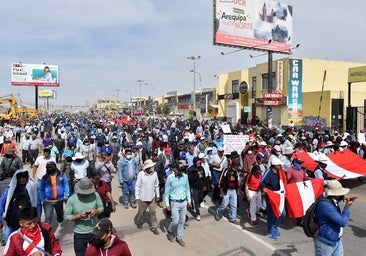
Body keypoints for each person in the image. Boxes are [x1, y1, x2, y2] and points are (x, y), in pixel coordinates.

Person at [314, 180, 356, 256]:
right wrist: (347, 207)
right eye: (340, 193)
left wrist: (343, 198)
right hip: (326, 242)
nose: (343, 194)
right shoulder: (325, 205)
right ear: (335, 195)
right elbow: (343, 222)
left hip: (336, 239)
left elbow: (333, 203)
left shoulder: (329, 199)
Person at [64, 177, 104, 256]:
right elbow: (67, 217)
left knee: (97, 253)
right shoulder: (72, 200)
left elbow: (101, 208)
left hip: (94, 231)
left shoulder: (95, 195)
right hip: (80, 234)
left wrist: (96, 211)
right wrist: (79, 216)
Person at [0, 169, 40, 243]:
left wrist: (38, 216)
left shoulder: (32, 189)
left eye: (24, 177)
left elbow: (37, 203)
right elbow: (1, 203)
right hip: (11, 221)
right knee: (9, 241)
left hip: (27, 222)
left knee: (25, 243)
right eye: (20, 178)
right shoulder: (9, 190)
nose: (22, 179)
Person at [165, 164, 192, 247]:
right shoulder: (170, 178)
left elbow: (187, 189)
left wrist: (189, 200)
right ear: (175, 169)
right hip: (174, 202)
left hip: (183, 202)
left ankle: (179, 237)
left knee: (182, 221)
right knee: (175, 221)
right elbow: (167, 192)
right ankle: (170, 231)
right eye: (179, 170)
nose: (180, 172)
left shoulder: (185, 177)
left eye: (181, 170)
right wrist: (167, 203)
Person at [260, 158, 287, 241]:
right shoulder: (269, 172)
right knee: (271, 214)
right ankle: (270, 230)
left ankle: (274, 226)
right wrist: (264, 188)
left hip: (279, 196)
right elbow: (262, 182)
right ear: (275, 166)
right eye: (279, 165)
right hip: (271, 196)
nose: (281, 166)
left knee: (282, 214)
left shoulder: (279, 172)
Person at [39, 161, 69, 228]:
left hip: (59, 199)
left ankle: (60, 222)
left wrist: (66, 195)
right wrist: (42, 199)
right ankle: (47, 229)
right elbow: (41, 188)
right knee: (48, 217)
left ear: (55, 167)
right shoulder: (44, 178)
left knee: (60, 213)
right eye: (48, 167)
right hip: (48, 201)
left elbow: (66, 185)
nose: (50, 168)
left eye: (51, 167)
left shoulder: (62, 175)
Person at [214, 151, 241, 225]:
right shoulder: (226, 170)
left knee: (234, 205)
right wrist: (221, 191)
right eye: (236, 167)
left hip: (233, 190)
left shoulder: (236, 172)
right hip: (226, 190)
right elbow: (220, 181)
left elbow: (237, 181)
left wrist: (238, 190)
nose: (236, 169)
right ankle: (218, 213)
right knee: (224, 204)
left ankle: (233, 218)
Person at [135, 159, 160, 235]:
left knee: (153, 212)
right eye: (151, 167)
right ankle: (139, 222)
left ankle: (154, 227)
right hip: (143, 198)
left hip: (152, 197)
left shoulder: (155, 174)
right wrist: (137, 197)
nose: (152, 168)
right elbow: (137, 186)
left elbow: (156, 185)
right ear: (147, 168)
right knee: (141, 212)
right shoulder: (141, 174)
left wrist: (158, 195)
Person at [188, 156, 206, 221]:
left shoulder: (201, 168)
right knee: (196, 200)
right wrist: (196, 175)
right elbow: (190, 179)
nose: (199, 163)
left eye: (199, 162)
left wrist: (204, 185)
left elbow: (204, 177)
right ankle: (197, 213)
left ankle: (193, 206)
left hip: (201, 187)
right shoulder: (191, 169)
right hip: (194, 187)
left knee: (200, 199)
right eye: (197, 162)